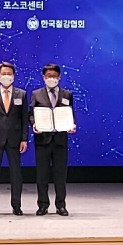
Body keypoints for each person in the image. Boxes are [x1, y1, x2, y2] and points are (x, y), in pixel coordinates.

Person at [29, 63, 75, 216]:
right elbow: (31, 114)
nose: (52, 78)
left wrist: (72, 124)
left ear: (59, 77)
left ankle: (61, 205)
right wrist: (34, 124)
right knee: (42, 175)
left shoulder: (67, 94)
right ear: (43, 77)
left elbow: (70, 113)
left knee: (60, 174)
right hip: (43, 140)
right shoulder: (36, 94)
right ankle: (43, 205)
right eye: (49, 76)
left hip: (60, 140)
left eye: (54, 76)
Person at [0, 61, 28, 215]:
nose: (6, 76)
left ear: (13, 76)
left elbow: (24, 119)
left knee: (16, 174)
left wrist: (24, 139)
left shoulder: (21, 94)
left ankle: (17, 205)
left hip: (15, 138)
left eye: (9, 73)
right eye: (4, 73)